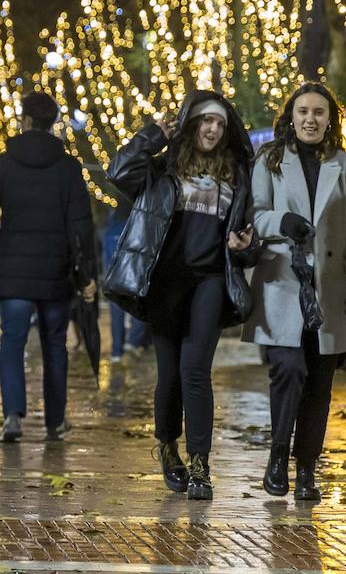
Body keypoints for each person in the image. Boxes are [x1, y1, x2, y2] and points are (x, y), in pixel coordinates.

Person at [105, 91, 257, 499]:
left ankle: (201, 464)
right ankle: (168, 447)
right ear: (191, 123)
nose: (213, 129)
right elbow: (117, 172)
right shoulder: (163, 169)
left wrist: (247, 248)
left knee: (195, 371)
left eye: (221, 124)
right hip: (165, 284)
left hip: (209, 281)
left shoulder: (239, 175)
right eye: (206, 120)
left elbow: (251, 236)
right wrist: (152, 135)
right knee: (169, 374)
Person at [244, 82, 346, 502]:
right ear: (291, 116)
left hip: (331, 288)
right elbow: (254, 215)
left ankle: (307, 470)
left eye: (319, 112)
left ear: (330, 120)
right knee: (288, 369)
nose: (310, 119)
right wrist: (282, 222)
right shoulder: (270, 160)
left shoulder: (345, 164)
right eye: (303, 111)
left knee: (320, 383)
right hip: (283, 280)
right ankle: (278, 454)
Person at [0, 91, 96, 443]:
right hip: (56, 271)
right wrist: (83, 271)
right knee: (54, 344)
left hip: (13, 268)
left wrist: (0, 245)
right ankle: (55, 421)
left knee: (11, 342)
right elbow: (81, 224)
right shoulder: (69, 167)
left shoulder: (3, 164)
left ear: (25, 120)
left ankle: (12, 415)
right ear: (53, 123)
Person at [103, 205, 148, 361]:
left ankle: (116, 351)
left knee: (116, 315)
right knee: (138, 311)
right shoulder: (137, 229)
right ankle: (133, 341)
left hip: (114, 277)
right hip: (133, 277)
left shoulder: (108, 232)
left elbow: (106, 258)